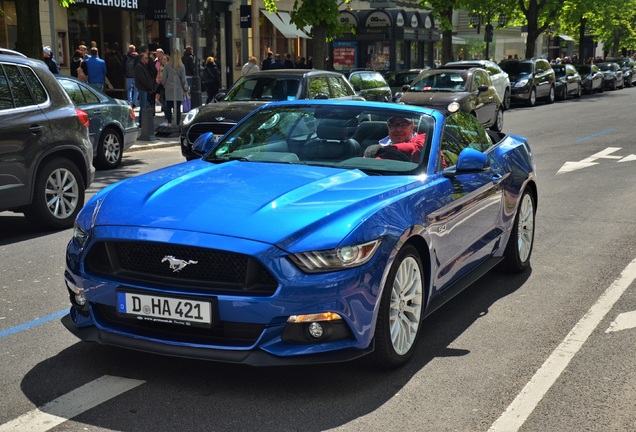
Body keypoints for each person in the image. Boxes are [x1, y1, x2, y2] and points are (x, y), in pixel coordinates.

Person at [159, 54, 188, 127]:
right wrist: (184, 87)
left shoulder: (167, 65)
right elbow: (183, 79)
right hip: (178, 88)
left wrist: (165, 85)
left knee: (168, 106)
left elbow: (164, 78)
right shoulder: (181, 66)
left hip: (169, 88)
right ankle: (177, 123)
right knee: (177, 108)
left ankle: (169, 122)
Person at [134, 53, 154, 128]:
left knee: (144, 105)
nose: (147, 59)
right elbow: (143, 79)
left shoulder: (144, 66)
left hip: (144, 88)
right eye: (146, 58)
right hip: (143, 88)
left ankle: (143, 121)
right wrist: (149, 87)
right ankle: (141, 122)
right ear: (142, 59)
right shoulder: (139, 67)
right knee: (143, 106)